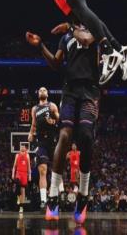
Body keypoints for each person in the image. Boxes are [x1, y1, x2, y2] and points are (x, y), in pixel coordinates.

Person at [26, 23, 98, 224]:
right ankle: (52, 198)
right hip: (70, 92)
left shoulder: (93, 29)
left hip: (90, 91)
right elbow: (56, 63)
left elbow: (85, 40)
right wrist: (41, 45)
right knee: (65, 135)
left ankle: (83, 196)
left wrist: (69, 27)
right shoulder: (65, 38)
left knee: (86, 137)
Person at [28, 87, 59, 208]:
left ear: (47, 94)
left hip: (53, 141)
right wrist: (31, 133)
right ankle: (43, 200)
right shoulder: (34, 109)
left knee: (56, 170)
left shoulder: (52, 106)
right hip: (41, 142)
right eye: (40, 90)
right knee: (42, 170)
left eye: (44, 90)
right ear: (38, 94)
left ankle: (56, 195)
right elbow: (33, 124)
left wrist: (53, 122)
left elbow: (61, 120)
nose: (42, 91)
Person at [12, 144, 31, 214]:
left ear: (25, 148)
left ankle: (21, 207)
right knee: (18, 184)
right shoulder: (17, 155)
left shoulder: (27, 155)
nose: (22, 148)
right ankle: (18, 197)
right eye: (21, 147)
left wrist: (29, 175)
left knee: (23, 191)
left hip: (24, 174)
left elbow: (29, 167)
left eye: (23, 147)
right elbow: (14, 166)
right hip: (18, 173)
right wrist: (13, 174)